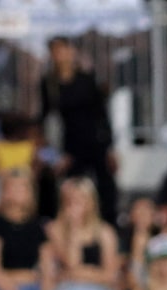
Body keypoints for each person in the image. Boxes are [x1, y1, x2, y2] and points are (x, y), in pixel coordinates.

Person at [41, 37, 115, 220]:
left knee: (105, 187)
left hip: (94, 142)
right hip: (69, 146)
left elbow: (101, 115)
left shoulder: (88, 80)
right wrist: (55, 153)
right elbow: (47, 118)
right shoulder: (49, 84)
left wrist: (110, 147)